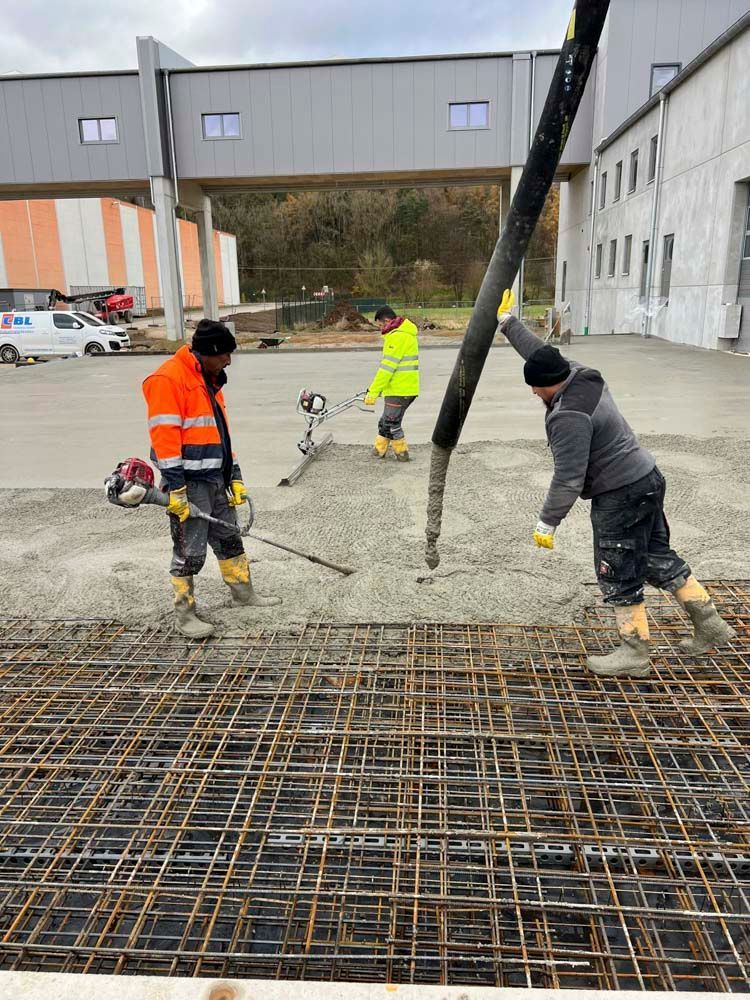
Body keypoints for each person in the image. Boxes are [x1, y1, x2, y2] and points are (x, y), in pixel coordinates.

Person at [496, 289, 735, 678]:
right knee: (656, 555)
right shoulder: (582, 376)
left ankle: (634, 652)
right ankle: (711, 625)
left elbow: (569, 476)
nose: (534, 392)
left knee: (618, 566)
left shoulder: (568, 417)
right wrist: (509, 325)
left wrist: (548, 521)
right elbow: (542, 355)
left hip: (620, 494)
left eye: (535, 388)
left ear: (548, 385)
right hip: (647, 478)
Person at [143, 319, 280, 639]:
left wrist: (234, 475)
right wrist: (176, 488)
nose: (229, 361)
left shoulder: (209, 378)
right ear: (208, 352)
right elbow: (165, 437)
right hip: (189, 482)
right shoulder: (168, 379)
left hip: (216, 476)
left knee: (229, 537)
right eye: (225, 355)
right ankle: (185, 614)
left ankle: (243, 594)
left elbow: (221, 433)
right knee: (190, 550)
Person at [364, 305, 419, 461]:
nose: (380, 329)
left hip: (399, 389)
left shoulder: (397, 337)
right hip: (405, 388)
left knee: (392, 422)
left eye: (381, 325)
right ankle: (379, 450)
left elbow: (386, 369)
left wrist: (373, 392)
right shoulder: (405, 334)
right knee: (386, 421)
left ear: (387, 321)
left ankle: (402, 454)